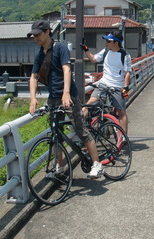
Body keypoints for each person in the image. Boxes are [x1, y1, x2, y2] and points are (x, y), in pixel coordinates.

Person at [27, 20, 103, 179]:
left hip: (69, 96)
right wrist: (33, 98)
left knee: (81, 130)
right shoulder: (40, 53)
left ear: (47, 32)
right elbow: (34, 77)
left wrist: (66, 92)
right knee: (56, 133)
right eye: (33, 35)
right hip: (53, 97)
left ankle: (97, 164)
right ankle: (59, 166)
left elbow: (67, 69)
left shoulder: (60, 48)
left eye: (38, 34)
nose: (35, 38)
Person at [80, 30, 132, 133]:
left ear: (116, 43)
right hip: (103, 83)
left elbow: (127, 73)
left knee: (121, 112)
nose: (106, 42)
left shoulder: (125, 55)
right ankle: (78, 126)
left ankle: (124, 137)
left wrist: (125, 89)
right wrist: (85, 49)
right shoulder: (106, 51)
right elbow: (93, 59)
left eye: (108, 41)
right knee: (89, 103)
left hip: (118, 86)